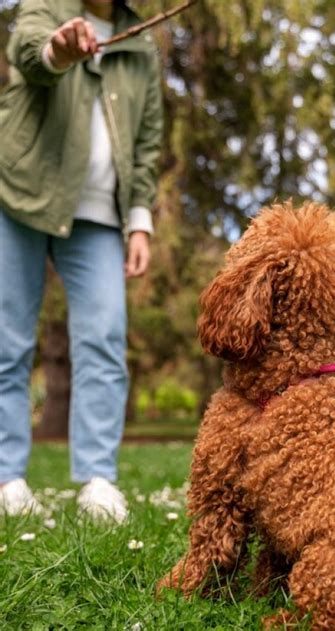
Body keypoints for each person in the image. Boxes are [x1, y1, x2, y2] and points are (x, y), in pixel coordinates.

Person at [0, 0, 163, 522]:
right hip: (18, 196)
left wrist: (139, 218)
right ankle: (7, 479)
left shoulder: (141, 43)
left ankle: (97, 480)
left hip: (97, 215)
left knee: (105, 339)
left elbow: (146, 142)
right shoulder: (45, 6)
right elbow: (26, 54)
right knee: (8, 341)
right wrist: (57, 51)